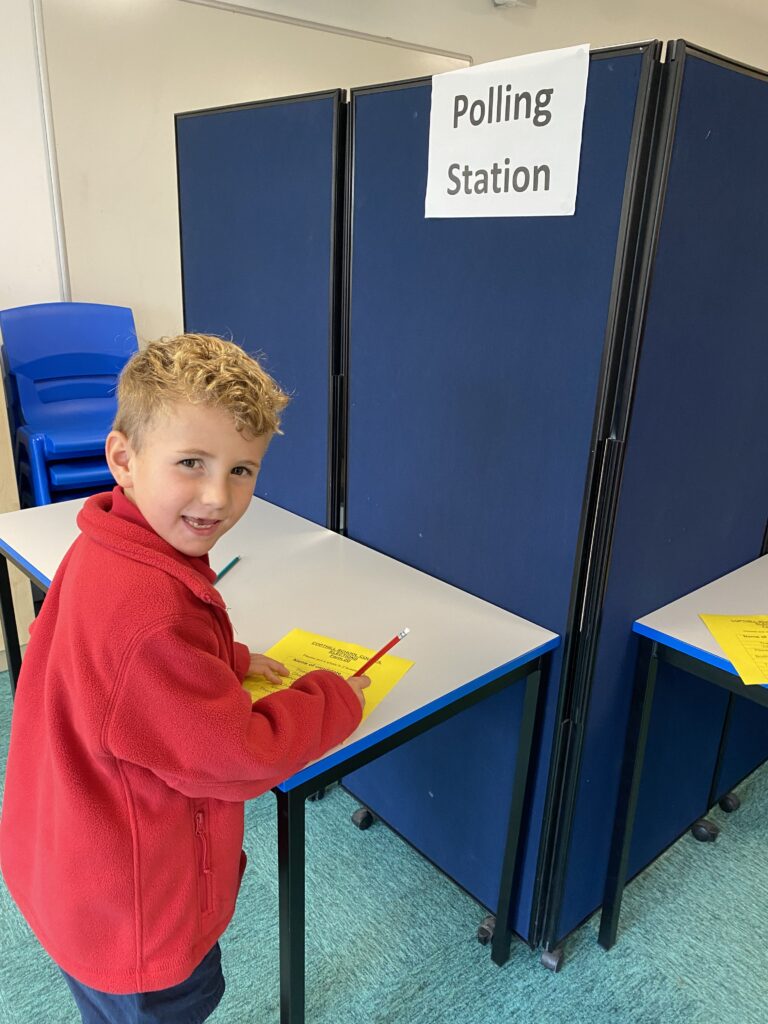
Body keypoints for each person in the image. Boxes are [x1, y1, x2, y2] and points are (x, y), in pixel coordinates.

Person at [0, 333, 370, 1023]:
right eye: (192, 463)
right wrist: (331, 699)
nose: (216, 496)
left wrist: (225, 662)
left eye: (242, 470)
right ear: (124, 458)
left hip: (68, 879)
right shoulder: (153, 617)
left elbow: (121, 676)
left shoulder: (106, 545)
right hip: (135, 923)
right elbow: (238, 759)